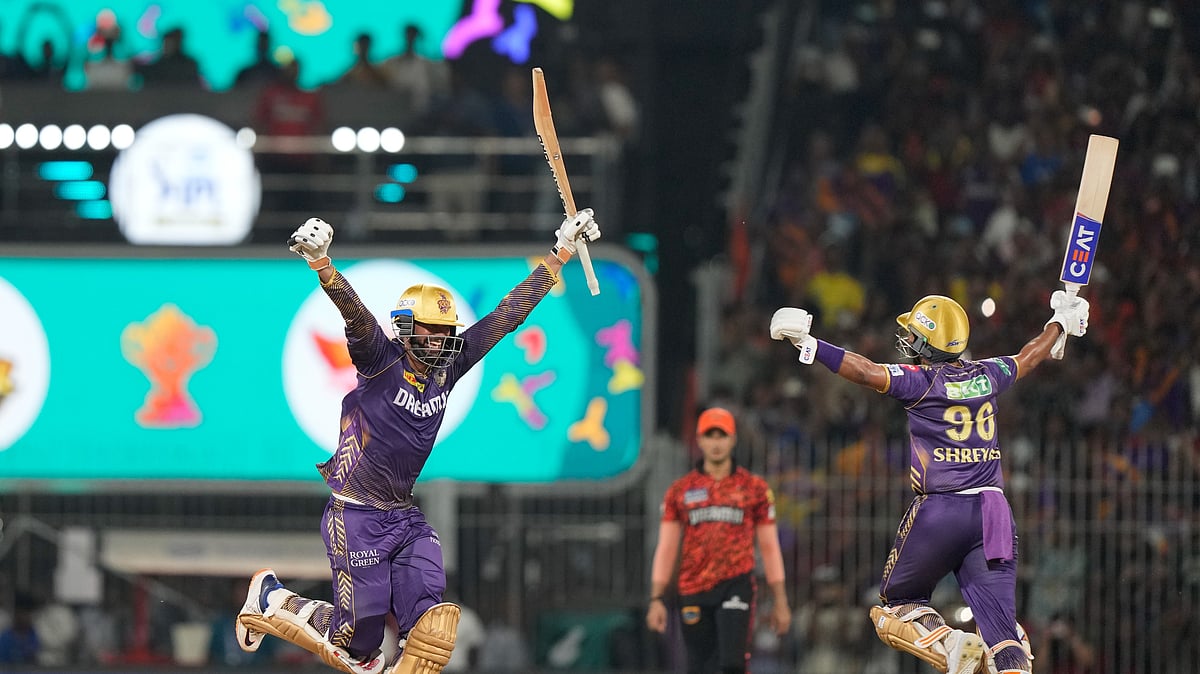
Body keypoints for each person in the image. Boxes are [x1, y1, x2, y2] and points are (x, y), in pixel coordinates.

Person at [234, 208, 601, 674]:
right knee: (358, 645)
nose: (445, 340)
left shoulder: (449, 368)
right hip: (356, 513)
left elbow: (507, 315)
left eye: (448, 331)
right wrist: (323, 267)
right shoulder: (379, 358)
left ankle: (406, 654)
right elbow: (356, 315)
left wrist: (561, 252)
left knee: (428, 609)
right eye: (432, 330)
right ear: (407, 329)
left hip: (403, 515)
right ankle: (272, 599)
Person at [768, 292, 1090, 674]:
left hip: (941, 510)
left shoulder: (920, 382)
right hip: (993, 511)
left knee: (895, 606)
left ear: (925, 343)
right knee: (1004, 636)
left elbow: (866, 371)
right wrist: (1059, 324)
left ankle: (952, 645)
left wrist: (810, 344)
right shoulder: (989, 374)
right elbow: (1029, 356)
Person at [645, 406, 792, 674]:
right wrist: (657, 598)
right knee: (700, 665)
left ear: (733, 439)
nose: (716, 443)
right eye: (709, 436)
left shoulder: (754, 489)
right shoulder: (680, 491)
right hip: (692, 587)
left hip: (735, 583)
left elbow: (769, 546)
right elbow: (666, 547)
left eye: (721, 435)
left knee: (732, 664)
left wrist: (780, 600)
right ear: (699, 440)